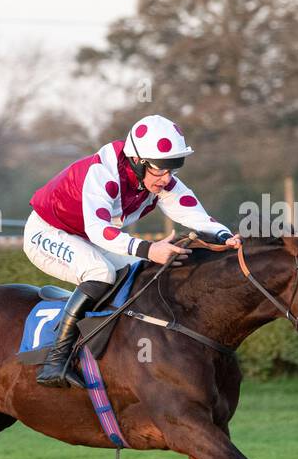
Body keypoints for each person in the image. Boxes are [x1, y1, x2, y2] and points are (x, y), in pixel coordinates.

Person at [25, 114, 241, 388]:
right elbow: (99, 231)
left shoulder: (155, 179)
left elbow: (194, 214)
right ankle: (55, 361)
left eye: (172, 169)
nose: (166, 178)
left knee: (139, 270)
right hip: (47, 232)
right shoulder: (103, 175)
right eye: (160, 170)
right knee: (100, 273)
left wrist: (226, 237)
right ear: (138, 161)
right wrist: (150, 249)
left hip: (86, 236)